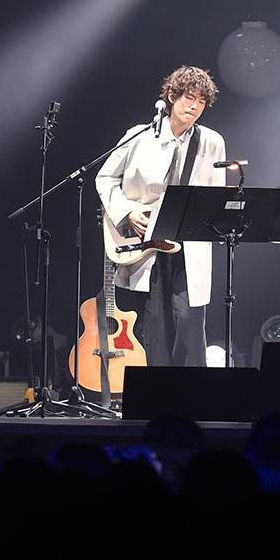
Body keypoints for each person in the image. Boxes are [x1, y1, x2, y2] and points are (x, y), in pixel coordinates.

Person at [95, 66, 226, 366]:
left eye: (201, 101)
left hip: (189, 244)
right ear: (172, 96)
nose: (194, 106)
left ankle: (192, 390)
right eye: (189, 98)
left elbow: (216, 195)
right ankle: (160, 389)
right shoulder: (139, 136)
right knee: (155, 325)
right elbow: (105, 178)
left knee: (190, 322)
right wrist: (128, 210)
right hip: (147, 244)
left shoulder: (211, 142)